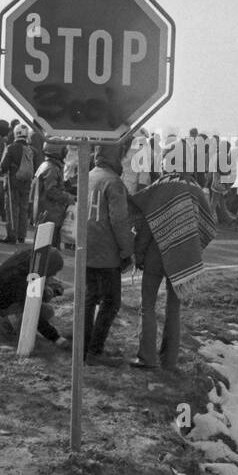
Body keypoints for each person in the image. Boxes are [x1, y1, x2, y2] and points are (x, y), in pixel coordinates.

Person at [128, 173, 216, 371]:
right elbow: (207, 225)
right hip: (183, 255)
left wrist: (139, 254)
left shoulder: (160, 187)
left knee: (147, 305)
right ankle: (169, 360)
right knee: (173, 308)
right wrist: (192, 250)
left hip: (155, 254)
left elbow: (147, 225)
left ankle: (147, 358)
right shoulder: (197, 190)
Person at [84, 141, 134, 365]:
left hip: (87, 246)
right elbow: (119, 221)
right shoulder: (114, 182)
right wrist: (127, 251)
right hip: (106, 251)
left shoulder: (90, 175)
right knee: (111, 301)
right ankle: (95, 349)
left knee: (89, 298)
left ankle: (83, 346)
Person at [0, 245, 69, 347]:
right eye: (53, 272)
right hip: (2, 305)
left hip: (9, 296)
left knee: (47, 311)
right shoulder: (20, 277)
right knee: (34, 315)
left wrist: (52, 287)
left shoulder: (33, 259)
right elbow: (32, 309)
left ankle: (15, 319)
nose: (55, 274)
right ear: (47, 267)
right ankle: (5, 324)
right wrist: (55, 337)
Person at [0, 124, 36, 245]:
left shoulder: (11, 148)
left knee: (11, 208)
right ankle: (22, 235)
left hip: (13, 182)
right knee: (24, 209)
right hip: (26, 182)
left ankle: (12, 235)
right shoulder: (31, 150)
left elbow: (3, 166)